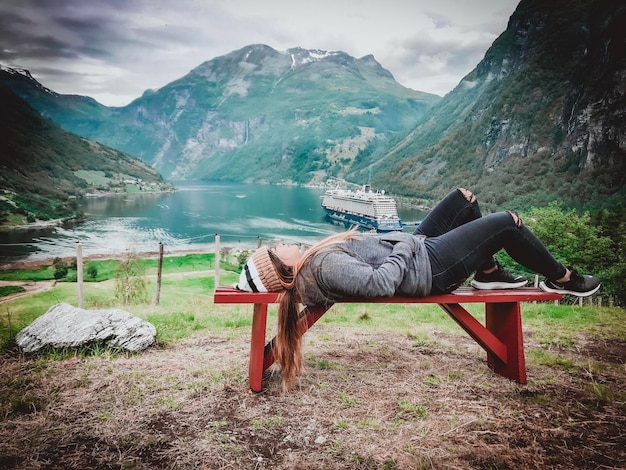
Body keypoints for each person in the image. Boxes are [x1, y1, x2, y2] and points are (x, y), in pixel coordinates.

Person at [235, 188, 600, 389]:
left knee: (464, 199)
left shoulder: (314, 265)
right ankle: (563, 277)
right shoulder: (323, 266)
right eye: (273, 249)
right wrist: (409, 244)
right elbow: (380, 284)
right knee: (509, 224)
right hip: (428, 265)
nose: (279, 243)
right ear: (281, 268)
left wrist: (408, 242)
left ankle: (488, 272)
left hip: (416, 250)